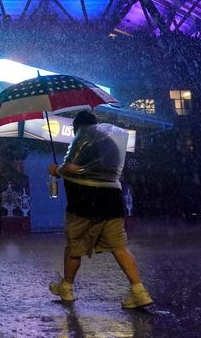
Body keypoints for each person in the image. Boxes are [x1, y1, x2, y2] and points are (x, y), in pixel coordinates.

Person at [48, 110, 153, 309]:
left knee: (74, 246)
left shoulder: (82, 139)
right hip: (112, 201)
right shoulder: (111, 143)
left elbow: (72, 169)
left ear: (76, 127)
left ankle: (67, 288)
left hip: (84, 202)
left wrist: (56, 170)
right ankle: (139, 291)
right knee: (119, 247)